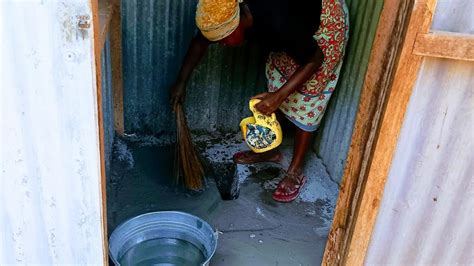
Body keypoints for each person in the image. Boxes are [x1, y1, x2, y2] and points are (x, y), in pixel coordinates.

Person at [170, 0, 349, 202]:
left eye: (224, 39)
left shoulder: (278, 23)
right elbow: (201, 41)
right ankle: (270, 151)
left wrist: (280, 96)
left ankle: (296, 169)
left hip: (322, 24)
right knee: (278, 78)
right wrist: (181, 81)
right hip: (293, 23)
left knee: (307, 96)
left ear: (240, 22)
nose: (222, 45)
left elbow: (314, 58)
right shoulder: (227, 13)